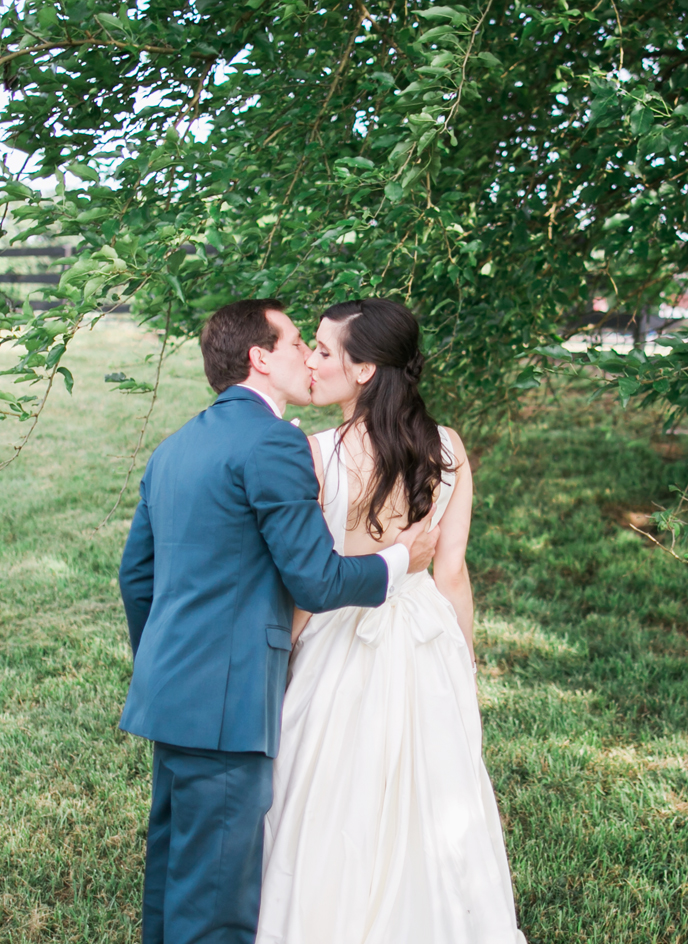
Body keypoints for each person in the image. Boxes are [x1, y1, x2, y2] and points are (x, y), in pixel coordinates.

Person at [118, 298, 440, 944]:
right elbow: (316, 580)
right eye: (296, 343)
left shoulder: (175, 446)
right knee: (218, 897)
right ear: (260, 357)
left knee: (171, 876)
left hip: (170, 695)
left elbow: (136, 578)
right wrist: (401, 560)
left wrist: (167, 661)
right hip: (228, 702)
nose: (307, 357)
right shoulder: (273, 443)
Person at [257, 297, 526, 944]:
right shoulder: (448, 447)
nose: (311, 362)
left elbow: (307, 584)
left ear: (366, 370)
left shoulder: (316, 454)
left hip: (340, 632)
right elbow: (451, 572)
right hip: (425, 630)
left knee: (326, 797)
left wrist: (281, 664)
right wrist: (462, 661)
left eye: (323, 350)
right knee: (431, 790)